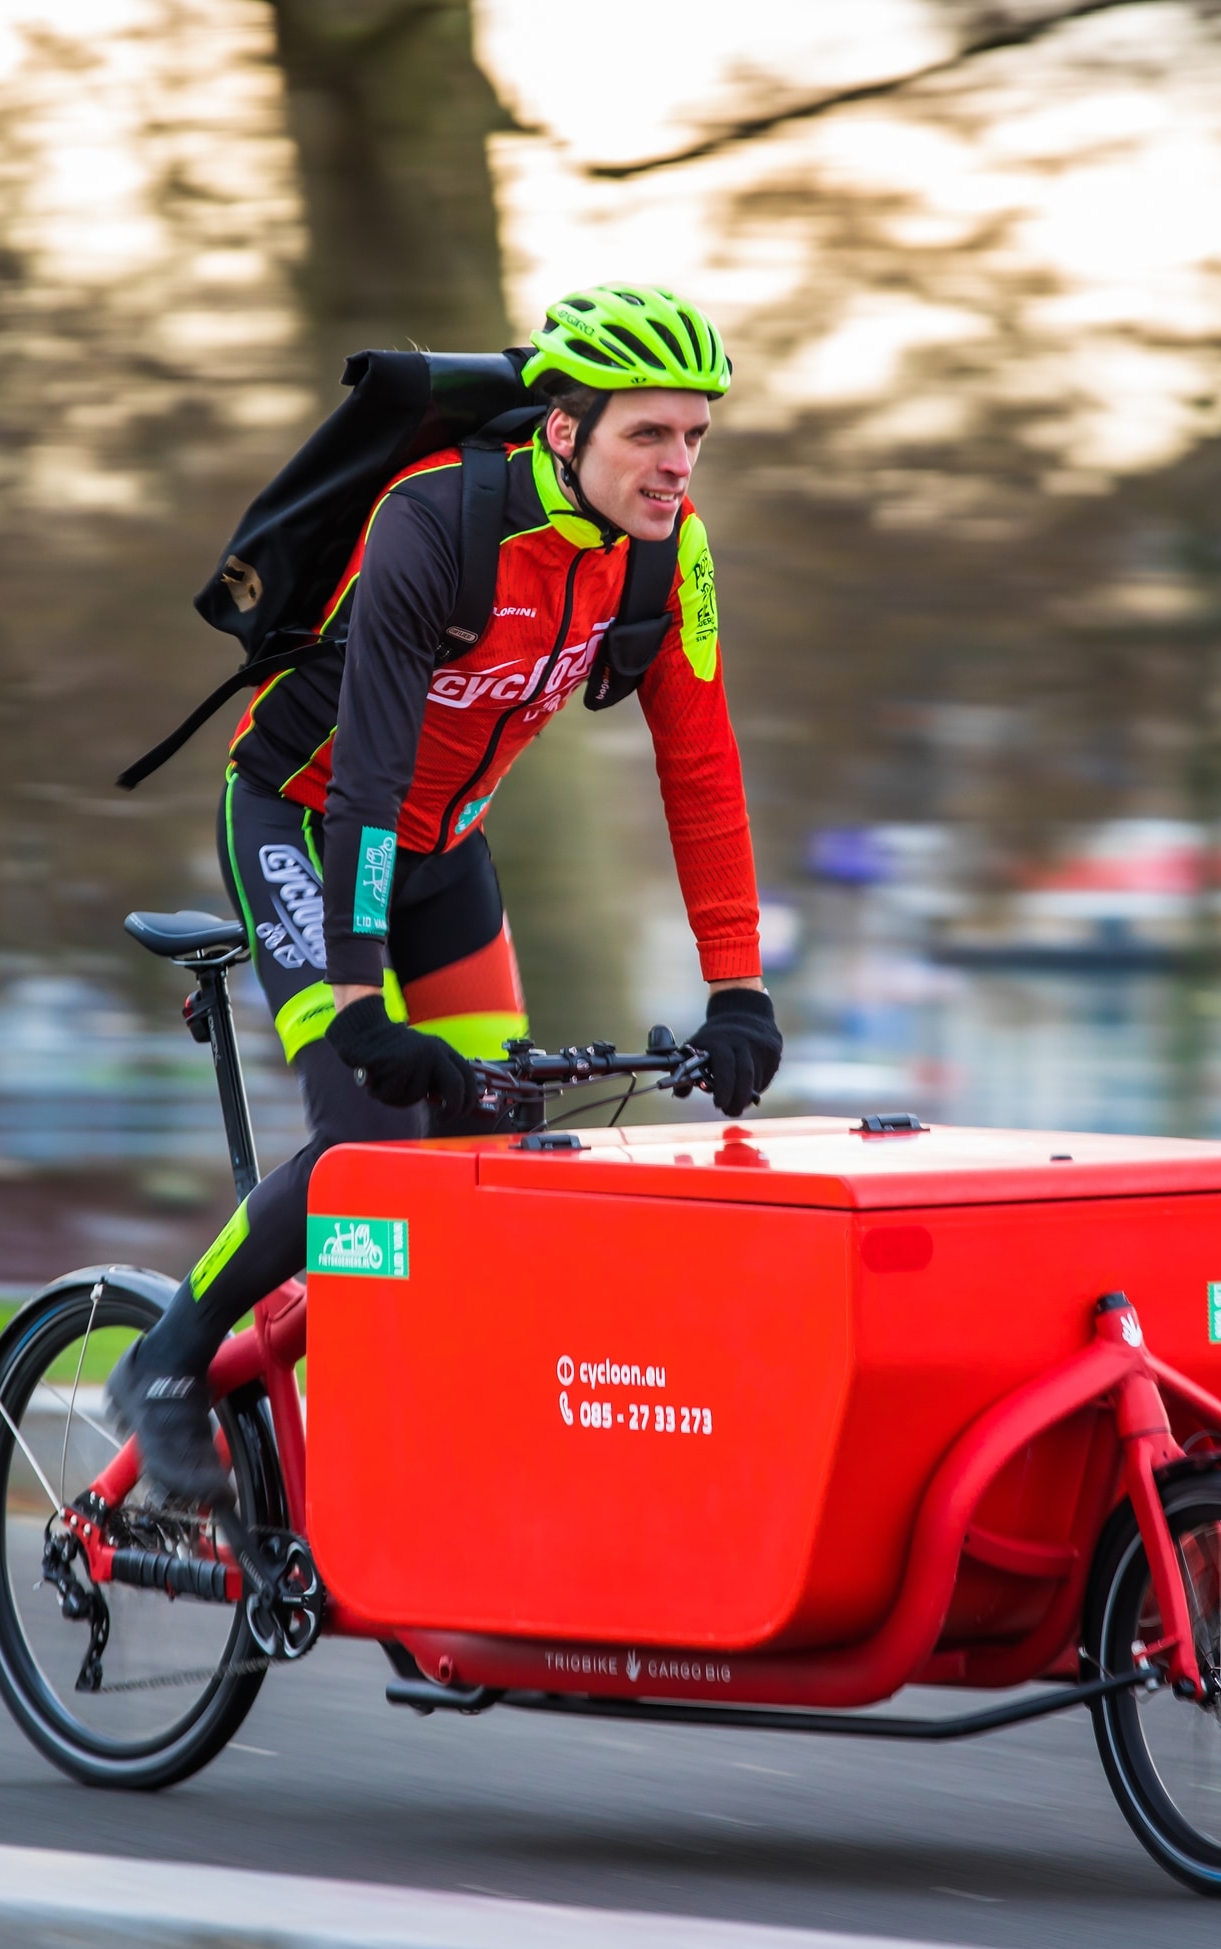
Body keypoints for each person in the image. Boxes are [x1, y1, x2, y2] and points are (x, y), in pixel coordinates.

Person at [109, 285, 781, 1500]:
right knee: (374, 1137)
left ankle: (400, 1433)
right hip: (305, 824)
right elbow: (367, 769)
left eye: (695, 436)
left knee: (493, 1142)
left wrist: (736, 984)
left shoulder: (666, 555)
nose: (679, 464)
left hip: (445, 849)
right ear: (565, 431)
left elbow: (702, 766)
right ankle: (165, 1359)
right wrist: (357, 993)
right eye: (649, 433)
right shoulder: (433, 522)